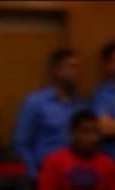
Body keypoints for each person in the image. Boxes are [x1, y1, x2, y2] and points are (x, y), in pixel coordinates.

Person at [14, 48, 88, 178]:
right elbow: (21, 143)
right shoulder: (35, 102)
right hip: (46, 171)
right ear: (57, 70)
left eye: (79, 68)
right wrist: (34, 174)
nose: (77, 72)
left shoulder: (81, 106)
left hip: (77, 174)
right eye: (72, 67)